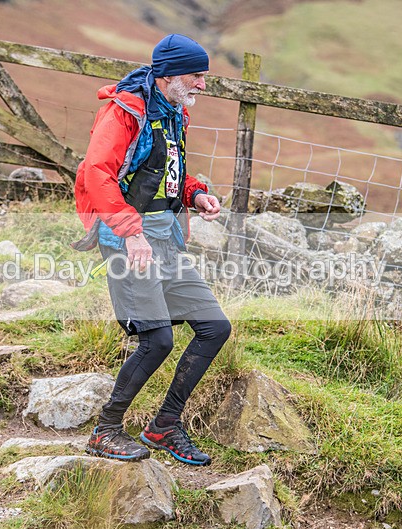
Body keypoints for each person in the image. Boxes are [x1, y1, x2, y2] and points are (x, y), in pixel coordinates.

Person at [72, 34, 232, 466]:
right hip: (129, 242)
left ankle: (164, 425)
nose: (202, 84)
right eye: (196, 75)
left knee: (214, 327)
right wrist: (131, 232)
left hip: (165, 239)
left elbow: (165, 171)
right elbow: (98, 175)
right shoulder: (125, 112)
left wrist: (195, 194)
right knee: (157, 339)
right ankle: (105, 431)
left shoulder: (174, 111)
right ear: (170, 74)